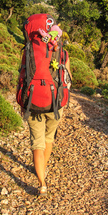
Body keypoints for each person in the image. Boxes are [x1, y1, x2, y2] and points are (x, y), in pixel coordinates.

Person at [26, 58, 71, 197]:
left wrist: (23, 102)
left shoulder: (30, 49)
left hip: (33, 101)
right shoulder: (62, 52)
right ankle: (42, 168)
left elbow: (23, 75)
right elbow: (68, 79)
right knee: (49, 138)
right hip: (55, 103)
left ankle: (42, 184)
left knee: (37, 143)